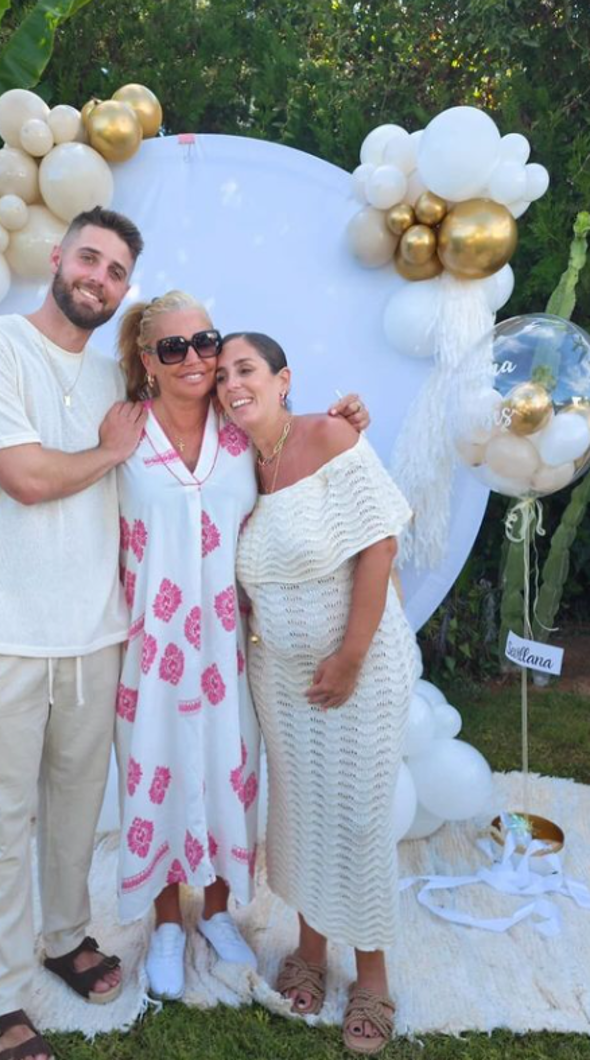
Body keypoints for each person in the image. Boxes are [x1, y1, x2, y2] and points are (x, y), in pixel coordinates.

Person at [113, 294, 370, 1000]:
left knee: (231, 774)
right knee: (156, 771)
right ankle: (168, 923)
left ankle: (221, 910)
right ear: (147, 363)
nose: (195, 358)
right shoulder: (121, 435)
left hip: (230, 646)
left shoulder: (241, 434)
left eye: (205, 342)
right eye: (174, 348)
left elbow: (295, 470)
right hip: (151, 646)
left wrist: (339, 423)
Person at [0, 206, 147, 1060]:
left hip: (95, 632)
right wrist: (106, 453)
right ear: (57, 258)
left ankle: (64, 940)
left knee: (76, 811)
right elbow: (23, 478)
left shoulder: (113, 382)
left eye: (116, 272)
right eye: (89, 259)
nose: (98, 278)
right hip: (4, 632)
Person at [215, 332, 420, 1055]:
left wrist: (351, 656)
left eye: (246, 370)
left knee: (359, 818)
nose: (232, 385)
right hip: (282, 678)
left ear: (282, 379)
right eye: (222, 377)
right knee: (300, 813)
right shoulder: (235, 465)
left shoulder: (331, 435)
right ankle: (310, 952)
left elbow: (380, 545)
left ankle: (373, 979)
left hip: (357, 668)